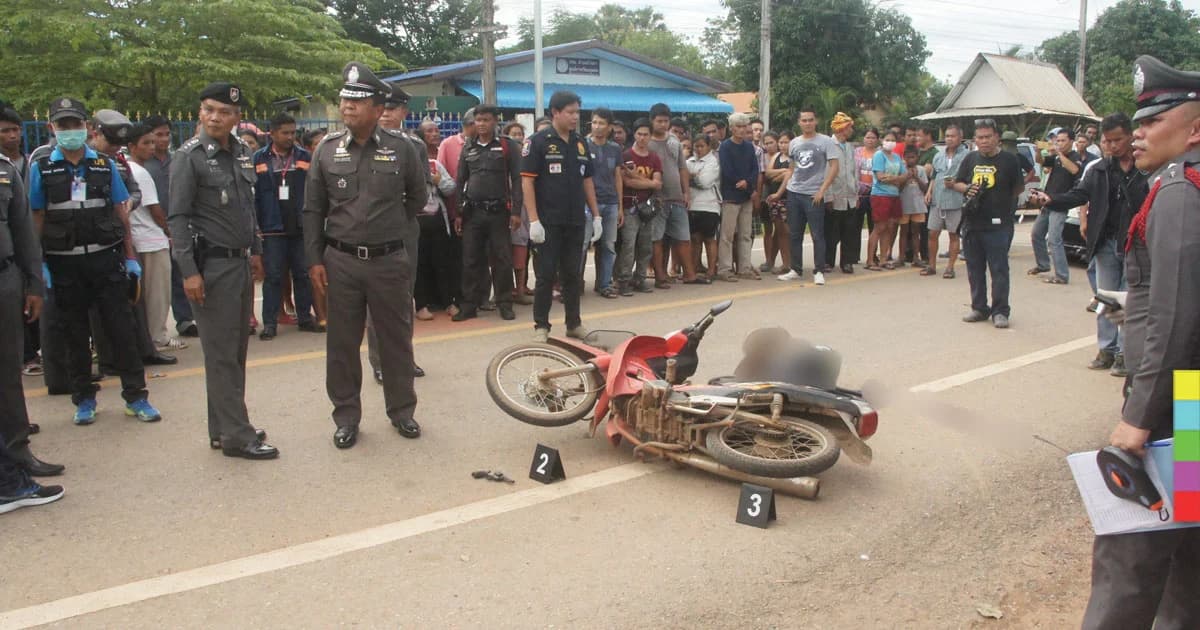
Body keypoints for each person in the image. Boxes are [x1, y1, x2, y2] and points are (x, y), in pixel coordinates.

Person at [1080, 55, 1200, 630]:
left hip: (1183, 406)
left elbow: (1178, 319)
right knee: (1190, 538)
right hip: (1192, 398)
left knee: (1132, 548)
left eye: (1154, 121)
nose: (1139, 133)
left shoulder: (1180, 189)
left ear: (1194, 127)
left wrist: (1138, 420)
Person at [305, 62, 426, 449]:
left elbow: (417, 198)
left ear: (377, 108)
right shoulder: (326, 150)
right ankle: (346, 416)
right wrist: (315, 260)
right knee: (341, 343)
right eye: (345, 99)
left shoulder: (402, 148)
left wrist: (387, 231)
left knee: (395, 340)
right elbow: (312, 210)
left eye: (358, 102)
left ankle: (402, 411)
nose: (347, 107)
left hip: (389, 260)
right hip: (341, 261)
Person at [30, 98, 163, 425]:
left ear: (87, 128)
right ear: (53, 129)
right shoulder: (42, 167)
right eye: (63, 126)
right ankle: (84, 399)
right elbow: (37, 217)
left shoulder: (105, 165)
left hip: (105, 260)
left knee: (122, 331)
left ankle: (136, 396)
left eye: (75, 125)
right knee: (74, 334)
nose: (70, 131)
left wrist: (130, 257)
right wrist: (38, 264)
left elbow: (122, 213)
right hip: (63, 264)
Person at [169, 83, 275, 459]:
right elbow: (178, 218)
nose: (215, 117)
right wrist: (188, 271)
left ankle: (223, 427)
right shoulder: (188, 157)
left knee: (234, 350)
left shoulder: (243, 153)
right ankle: (238, 435)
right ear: (200, 112)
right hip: (210, 266)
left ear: (237, 117)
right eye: (209, 109)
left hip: (240, 262)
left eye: (224, 112)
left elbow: (247, 208)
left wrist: (257, 250)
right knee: (222, 354)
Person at [1033, 113, 1148, 376]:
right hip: (1105, 243)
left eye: (1118, 140)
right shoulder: (1098, 169)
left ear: (1130, 136)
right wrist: (1051, 199)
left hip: (1136, 246)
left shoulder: (1147, 169)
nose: (1112, 146)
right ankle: (1106, 349)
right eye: (1108, 141)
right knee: (1106, 300)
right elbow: (1079, 194)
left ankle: (1124, 354)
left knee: (1130, 302)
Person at [0, 141, 62, 476]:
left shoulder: (5, 171)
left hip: (4, 279)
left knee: (8, 374)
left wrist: (34, 284)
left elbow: (24, 231)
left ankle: (17, 454)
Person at [520, 90, 599, 341]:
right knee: (545, 274)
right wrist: (533, 220)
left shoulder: (580, 142)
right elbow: (527, 183)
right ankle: (541, 326)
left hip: (575, 219)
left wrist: (595, 215)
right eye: (571, 112)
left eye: (578, 112)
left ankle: (573, 323)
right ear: (555, 112)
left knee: (572, 275)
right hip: (548, 221)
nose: (576, 117)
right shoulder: (538, 142)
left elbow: (587, 180)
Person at [254, 112, 322, 340]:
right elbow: (253, 197)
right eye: (285, 133)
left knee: (303, 274)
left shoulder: (304, 156)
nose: (290, 137)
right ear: (272, 133)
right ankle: (270, 323)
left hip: (300, 226)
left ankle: (304, 317)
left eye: (293, 132)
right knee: (273, 276)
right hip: (273, 228)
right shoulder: (259, 159)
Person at [453, 104, 522, 322]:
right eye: (478, 120)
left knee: (502, 259)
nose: (481, 124)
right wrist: (458, 212)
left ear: (495, 121)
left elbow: (518, 180)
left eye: (485, 120)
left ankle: (504, 303)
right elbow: (460, 179)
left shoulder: (506, 146)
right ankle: (469, 305)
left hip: (499, 212)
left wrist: (517, 212)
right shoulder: (468, 147)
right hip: (473, 212)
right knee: (471, 260)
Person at [954, 119, 1023, 329]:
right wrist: (967, 189)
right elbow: (957, 182)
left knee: (999, 269)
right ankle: (979, 308)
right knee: (974, 269)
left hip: (998, 226)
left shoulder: (1010, 161)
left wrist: (1000, 204)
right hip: (973, 224)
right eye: (979, 138)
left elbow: (1017, 189)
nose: (983, 141)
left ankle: (1000, 311)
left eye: (987, 137)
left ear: (996, 138)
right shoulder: (970, 158)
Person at [140, 115, 198, 339]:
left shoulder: (178, 160)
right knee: (157, 284)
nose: (163, 139)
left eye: (167, 134)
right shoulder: (143, 163)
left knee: (182, 273)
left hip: (179, 225)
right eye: (158, 135)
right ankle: (155, 330)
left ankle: (185, 319)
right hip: (154, 228)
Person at [125, 124, 183, 352]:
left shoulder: (126, 169)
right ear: (132, 147)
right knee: (158, 294)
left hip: (140, 240)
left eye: (153, 142)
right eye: (146, 143)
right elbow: (155, 210)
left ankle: (147, 337)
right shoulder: (139, 172)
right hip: (151, 241)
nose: (152, 147)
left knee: (144, 295)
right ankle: (158, 337)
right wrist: (170, 232)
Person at [772, 106, 839, 285]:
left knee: (817, 234)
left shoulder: (826, 142)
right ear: (799, 122)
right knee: (794, 234)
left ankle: (818, 270)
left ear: (815, 121)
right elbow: (791, 169)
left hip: (813, 195)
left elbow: (834, 167)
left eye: (810, 120)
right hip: (794, 193)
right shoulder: (794, 143)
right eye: (804, 120)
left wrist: (822, 190)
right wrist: (781, 192)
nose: (807, 123)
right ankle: (796, 268)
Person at [647, 103, 702, 286]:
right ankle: (660, 276)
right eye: (659, 121)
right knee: (657, 239)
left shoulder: (674, 142)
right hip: (657, 199)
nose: (663, 124)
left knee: (683, 237)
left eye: (666, 121)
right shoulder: (646, 142)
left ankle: (689, 274)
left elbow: (682, 168)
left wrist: (686, 192)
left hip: (677, 197)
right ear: (652, 121)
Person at [413, 120, 459, 320]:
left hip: (437, 221)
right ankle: (421, 305)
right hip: (414, 222)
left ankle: (448, 301)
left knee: (443, 262)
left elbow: (451, 188)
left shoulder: (435, 164)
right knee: (419, 264)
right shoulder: (406, 167)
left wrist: (438, 180)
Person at [1029, 128, 1085, 284]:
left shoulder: (1074, 157)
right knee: (1036, 234)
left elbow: (1075, 170)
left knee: (1054, 239)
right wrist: (1038, 151)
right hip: (1047, 201)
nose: (1059, 143)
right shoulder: (1055, 158)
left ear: (1071, 142)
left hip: (1060, 203)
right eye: (1057, 141)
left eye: (1062, 141)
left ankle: (1062, 275)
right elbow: (1041, 161)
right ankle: (1043, 264)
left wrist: (1059, 153)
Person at [615, 118, 662, 295]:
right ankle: (624, 280)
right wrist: (648, 183)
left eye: (646, 134)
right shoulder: (626, 156)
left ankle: (640, 278)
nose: (642, 138)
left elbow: (658, 183)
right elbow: (626, 181)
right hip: (630, 206)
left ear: (650, 136)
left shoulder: (654, 157)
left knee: (645, 246)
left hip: (647, 208)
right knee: (628, 245)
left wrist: (637, 177)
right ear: (634, 135)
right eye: (639, 134)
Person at [716, 113, 759, 281]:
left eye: (744, 126)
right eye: (738, 126)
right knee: (727, 235)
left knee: (745, 234)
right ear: (731, 128)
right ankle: (725, 269)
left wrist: (748, 184)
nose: (741, 130)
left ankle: (744, 268)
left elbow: (754, 169)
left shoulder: (749, 147)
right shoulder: (725, 146)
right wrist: (739, 182)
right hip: (731, 195)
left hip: (746, 195)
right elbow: (727, 170)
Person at [587, 107, 623, 298]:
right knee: (583, 244)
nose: (597, 126)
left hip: (610, 203)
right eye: (594, 122)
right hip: (587, 204)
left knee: (609, 245)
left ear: (609, 127)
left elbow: (618, 177)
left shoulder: (615, 149)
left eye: (601, 123)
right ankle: (575, 284)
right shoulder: (582, 145)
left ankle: (604, 284)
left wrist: (620, 207)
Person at [925, 124, 968, 279]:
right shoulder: (939, 156)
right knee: (932, 233)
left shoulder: (966, 156)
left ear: (960, 137)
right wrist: (929, 192)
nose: (949, 139)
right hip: (938, 199)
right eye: (947, 136)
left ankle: (950, 267)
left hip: (955, 200)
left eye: (953, 136)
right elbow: (934, 176)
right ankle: (931, 265)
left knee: (953, 234)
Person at [865, 131, 905, 271]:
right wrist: (897, 179)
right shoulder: (879, 155)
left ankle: (883, 259)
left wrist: (893, 179)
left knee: (889, 227)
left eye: (893, 140)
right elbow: (880, 176)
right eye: (887, 139)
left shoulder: (896, 157)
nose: (890, 142)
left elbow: (905, 175)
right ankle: (870, 260)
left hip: (894, 195)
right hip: (881, 195)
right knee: (879, 227)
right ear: (882, 140)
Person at [826, 113, 860, 274]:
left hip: (850, 195)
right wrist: (829, 195)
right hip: (834, 194)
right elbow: (827, 173)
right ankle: (828, 261)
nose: (851, 130)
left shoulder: (850, 147)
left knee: (849, 231)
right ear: (843, 128)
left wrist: (857, 193)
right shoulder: (828, 144)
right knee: (831, 231)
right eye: (849, 127)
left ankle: (847, 262)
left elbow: (854, 171)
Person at [686, 133, 721, 282]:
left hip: (709, 205)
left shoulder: (713, 162)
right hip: (692, 205)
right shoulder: (690, 161)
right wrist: (693, 176)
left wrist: (691, 177)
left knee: (709, 239)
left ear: (708, 146)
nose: (699, 149)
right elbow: (682, 177)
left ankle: (712, 270)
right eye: (696, 146)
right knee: (695, 238)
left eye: (702, 146)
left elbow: (704, 181)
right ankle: (693, 269)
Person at [759, 131, 790, 274]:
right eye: (781, 142)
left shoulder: (794, 157)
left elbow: (791, 174)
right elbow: (768, 173)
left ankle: (788, 263)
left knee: (786, 232)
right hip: (774, 200)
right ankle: (776, 262)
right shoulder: (777, 156)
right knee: (778, 232)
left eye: (786, 142)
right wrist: (783, 171)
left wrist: (785, 175)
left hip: (788, 197)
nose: (783, 145)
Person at [897, 145, 929, 268]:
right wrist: (906, 178)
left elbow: (925, 188)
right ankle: (901, 257)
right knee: (903, 231)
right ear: (904, 157)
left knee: (916, 232)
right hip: (904, 204)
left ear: (917, 157)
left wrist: (916, 177)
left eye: (913, 157)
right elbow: (898, 188)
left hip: (918, 205)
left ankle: (916, 257)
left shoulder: (921, 170)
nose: (910, 160)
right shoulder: (901, 169)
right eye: (908, 157)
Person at [853, 128, 880, 265]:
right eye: (868, 137)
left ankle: (873, 255)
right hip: (859, 193)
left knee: (874, 225)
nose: (870, 140)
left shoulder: (880, 154)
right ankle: (853, 255)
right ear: (864, 138)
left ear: (877, 140)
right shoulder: (857, 152)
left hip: (875, 193)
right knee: (855, 225)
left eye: (873, 138)